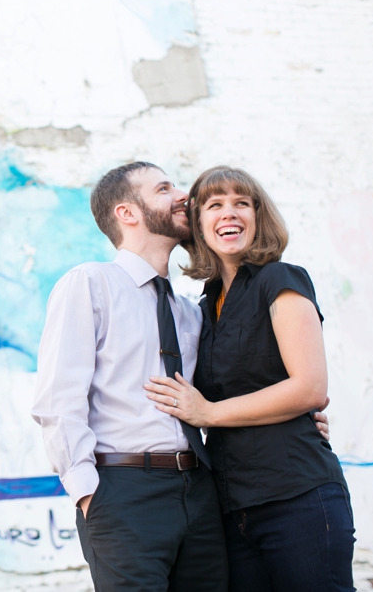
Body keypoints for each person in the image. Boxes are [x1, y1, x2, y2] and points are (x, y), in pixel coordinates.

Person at [143, 165, 354, 592]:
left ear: (259, 216)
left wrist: (210, 413)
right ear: (198, 223)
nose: (230, 213)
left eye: (242, 203)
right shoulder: (202, 309)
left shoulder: (281, 279)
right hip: (229, 507)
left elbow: (310, 387)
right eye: (215, 205)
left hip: (297, 497)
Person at [31, 161, 228, 592]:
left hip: (200, 490)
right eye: (163, 188)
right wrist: (89, 496)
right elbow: (57, 399)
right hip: (122, 491)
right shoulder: (90, 283)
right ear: (127, 213)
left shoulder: (190, 312)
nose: (183, 196)